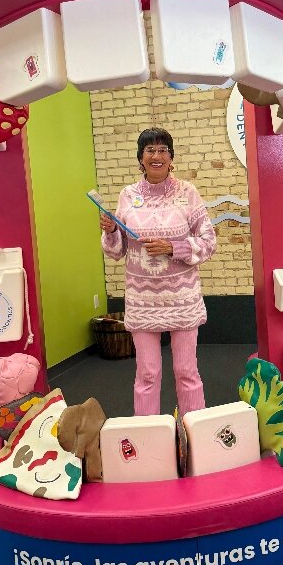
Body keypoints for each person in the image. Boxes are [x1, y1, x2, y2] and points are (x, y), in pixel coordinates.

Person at [100, 127, 216, 416]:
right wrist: (112, 231)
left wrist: (173, 247)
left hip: (182, 299)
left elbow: (208, 242)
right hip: (142, 301)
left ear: (171, 157)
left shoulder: (187, 193)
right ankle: (147, 436)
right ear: (140, 158)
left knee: (187, 371)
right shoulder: (127, 196)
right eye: (150, 150)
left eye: (163, 149)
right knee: (147, 375)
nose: (156, 155)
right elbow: (116, 251)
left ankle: (195, 433)